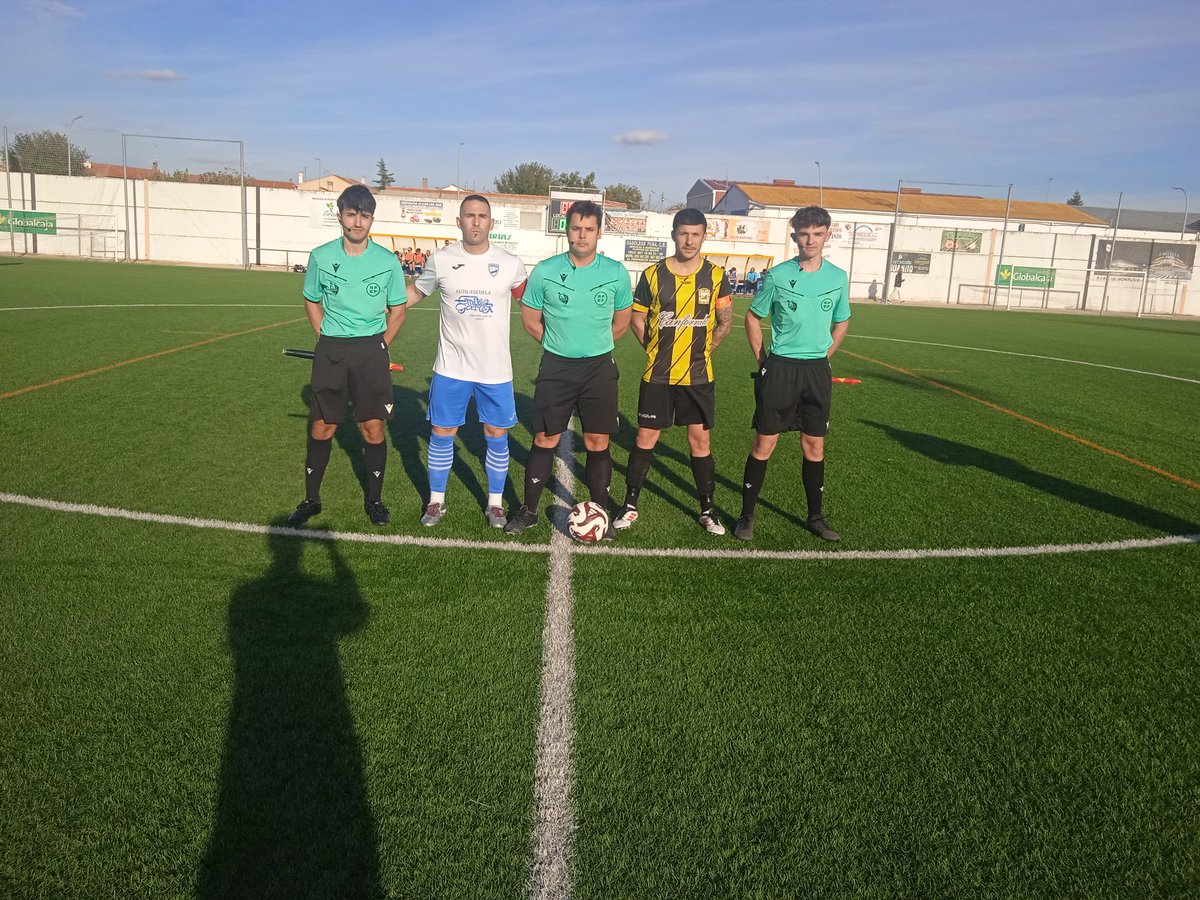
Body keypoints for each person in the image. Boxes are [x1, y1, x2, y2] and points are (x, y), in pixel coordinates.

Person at [504, 200, 633, 535]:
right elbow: (531, 320)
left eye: (589, 229)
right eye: (576, 228)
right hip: (556, 367)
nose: (582, 235)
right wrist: (559, 346)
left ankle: (600, 513)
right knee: (545, 438)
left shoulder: (615, 272)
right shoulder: (546, 270)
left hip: (599, 369)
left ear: (599, 233)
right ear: (566, 229)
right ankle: (529, 510)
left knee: (597, 441)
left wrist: (594, 349)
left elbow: (622, 322)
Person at [287, 184, 407, 527]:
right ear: (340, 216)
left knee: (373, 428)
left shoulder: (386, 261)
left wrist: (381, 344)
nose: (357, 222)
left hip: (371, 350)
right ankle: (311, 500)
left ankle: (375, 500)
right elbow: (311, 299)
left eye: (364, 216)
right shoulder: (321, 256)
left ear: (371, 219)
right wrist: (322, 332)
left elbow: (398, 310)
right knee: (323, 427)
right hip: (332, 350)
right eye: (351, 214)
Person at [406, 194, 528, 528]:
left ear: (491, 223)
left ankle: (495, 504)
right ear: (459, 222)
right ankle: (436, 502)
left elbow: (529, 303)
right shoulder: (441, 259)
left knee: (496, 433)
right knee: (442, 431)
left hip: (495, 368)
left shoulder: (510, 263)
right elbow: (415, 293)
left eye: (482, 216)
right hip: (450, 367)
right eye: (469, 216)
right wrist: (379, 306)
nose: (476, 221)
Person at [734, 205, 850, 543]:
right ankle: (746, 516)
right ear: (794, 236)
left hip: (816, 371)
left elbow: (842, 321)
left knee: (814, 446)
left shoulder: (837, 277)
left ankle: (816, 517)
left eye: (817, 233)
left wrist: (825, 356)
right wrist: (763, 360)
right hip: (780, 368)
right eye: (804, 234)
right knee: (764, 442)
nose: (810, 240)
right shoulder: (779, 275)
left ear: (828, 234)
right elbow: (753, 317)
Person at [613, 208, 732, 535]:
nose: (689, 240)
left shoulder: (716, 276)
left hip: (698, 377)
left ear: (704, 236)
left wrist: (705, 351)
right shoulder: (652, 275)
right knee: (645, 437)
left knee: (700, 441)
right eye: (683, 233)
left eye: (695, 234)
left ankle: (708, 509)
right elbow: (637, 318)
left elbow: (725, 321)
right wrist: (652, 349)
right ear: (674, 235)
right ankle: (630, 504)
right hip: (659, 375)